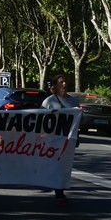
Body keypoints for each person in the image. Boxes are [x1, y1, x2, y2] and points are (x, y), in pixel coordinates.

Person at [41, 73, 80, 206]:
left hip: (68, 139)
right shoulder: (49, 101)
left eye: (65, 82)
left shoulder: (74, 101)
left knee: (64, 166)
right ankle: (59, 193)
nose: (64, 84)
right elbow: (40, 120)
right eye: (61, 82)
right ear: (55, 86)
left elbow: (77, 121)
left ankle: (59, 190)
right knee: (55, 165)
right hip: (53, 139)